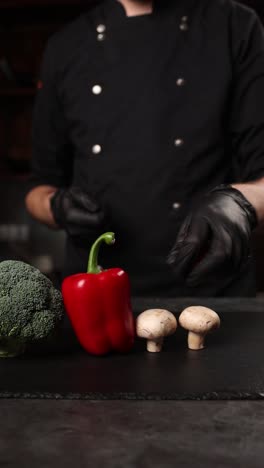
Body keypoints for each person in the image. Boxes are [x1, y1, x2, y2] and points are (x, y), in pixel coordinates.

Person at [25, 0, 264, 297]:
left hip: (213, 291)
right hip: (97, 293)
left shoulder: (234, 26)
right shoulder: (66, 46)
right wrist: (57, 206)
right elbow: (38, 189)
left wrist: (238, 205)